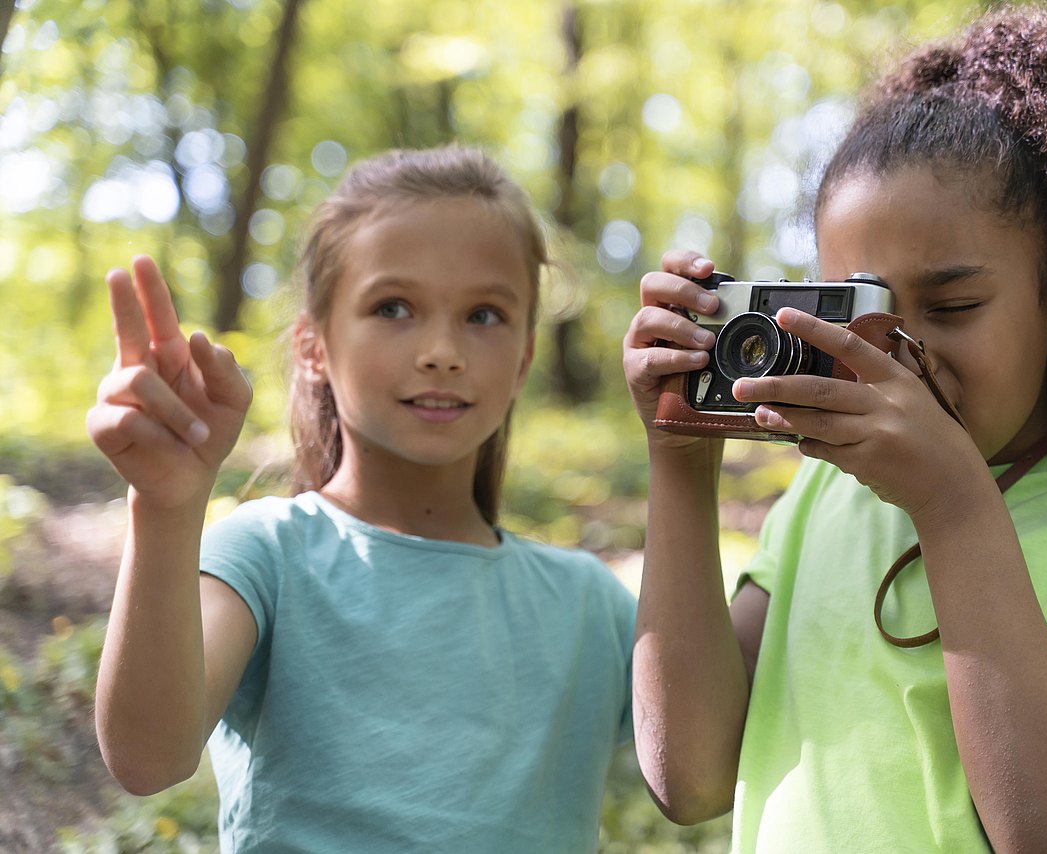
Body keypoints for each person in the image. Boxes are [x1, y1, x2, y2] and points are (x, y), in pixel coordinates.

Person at [623, 8, 1047, 853]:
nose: (902, 347)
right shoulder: (826, 489)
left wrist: (953, 504)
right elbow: (691, 775)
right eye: (858, 310)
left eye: (955, 306)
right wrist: (678, 454)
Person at [88, 146, 636, 852]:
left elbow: (703, 766)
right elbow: (147, 757)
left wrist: (685, 453)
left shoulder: (590, 603)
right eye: (394, 307)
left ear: (526, 355)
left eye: (484, 315)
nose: (442, 350)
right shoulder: (263, 555)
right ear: (313, 346)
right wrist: (163, 510)